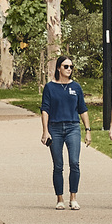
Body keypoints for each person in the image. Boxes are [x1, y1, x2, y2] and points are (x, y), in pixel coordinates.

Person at [38, 55, 89, 210]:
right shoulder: (50, 87)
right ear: (59, 68)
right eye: (66, 66)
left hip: (73, 127)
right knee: (58, 165)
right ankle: (60, 198)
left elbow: (83, 109)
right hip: (55, 128)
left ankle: (73, 198)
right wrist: (45, 131)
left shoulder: (76, 87)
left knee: (74, 162)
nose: (69, 69)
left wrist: (88, 130)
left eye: (71, 67)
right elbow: (45, 110)